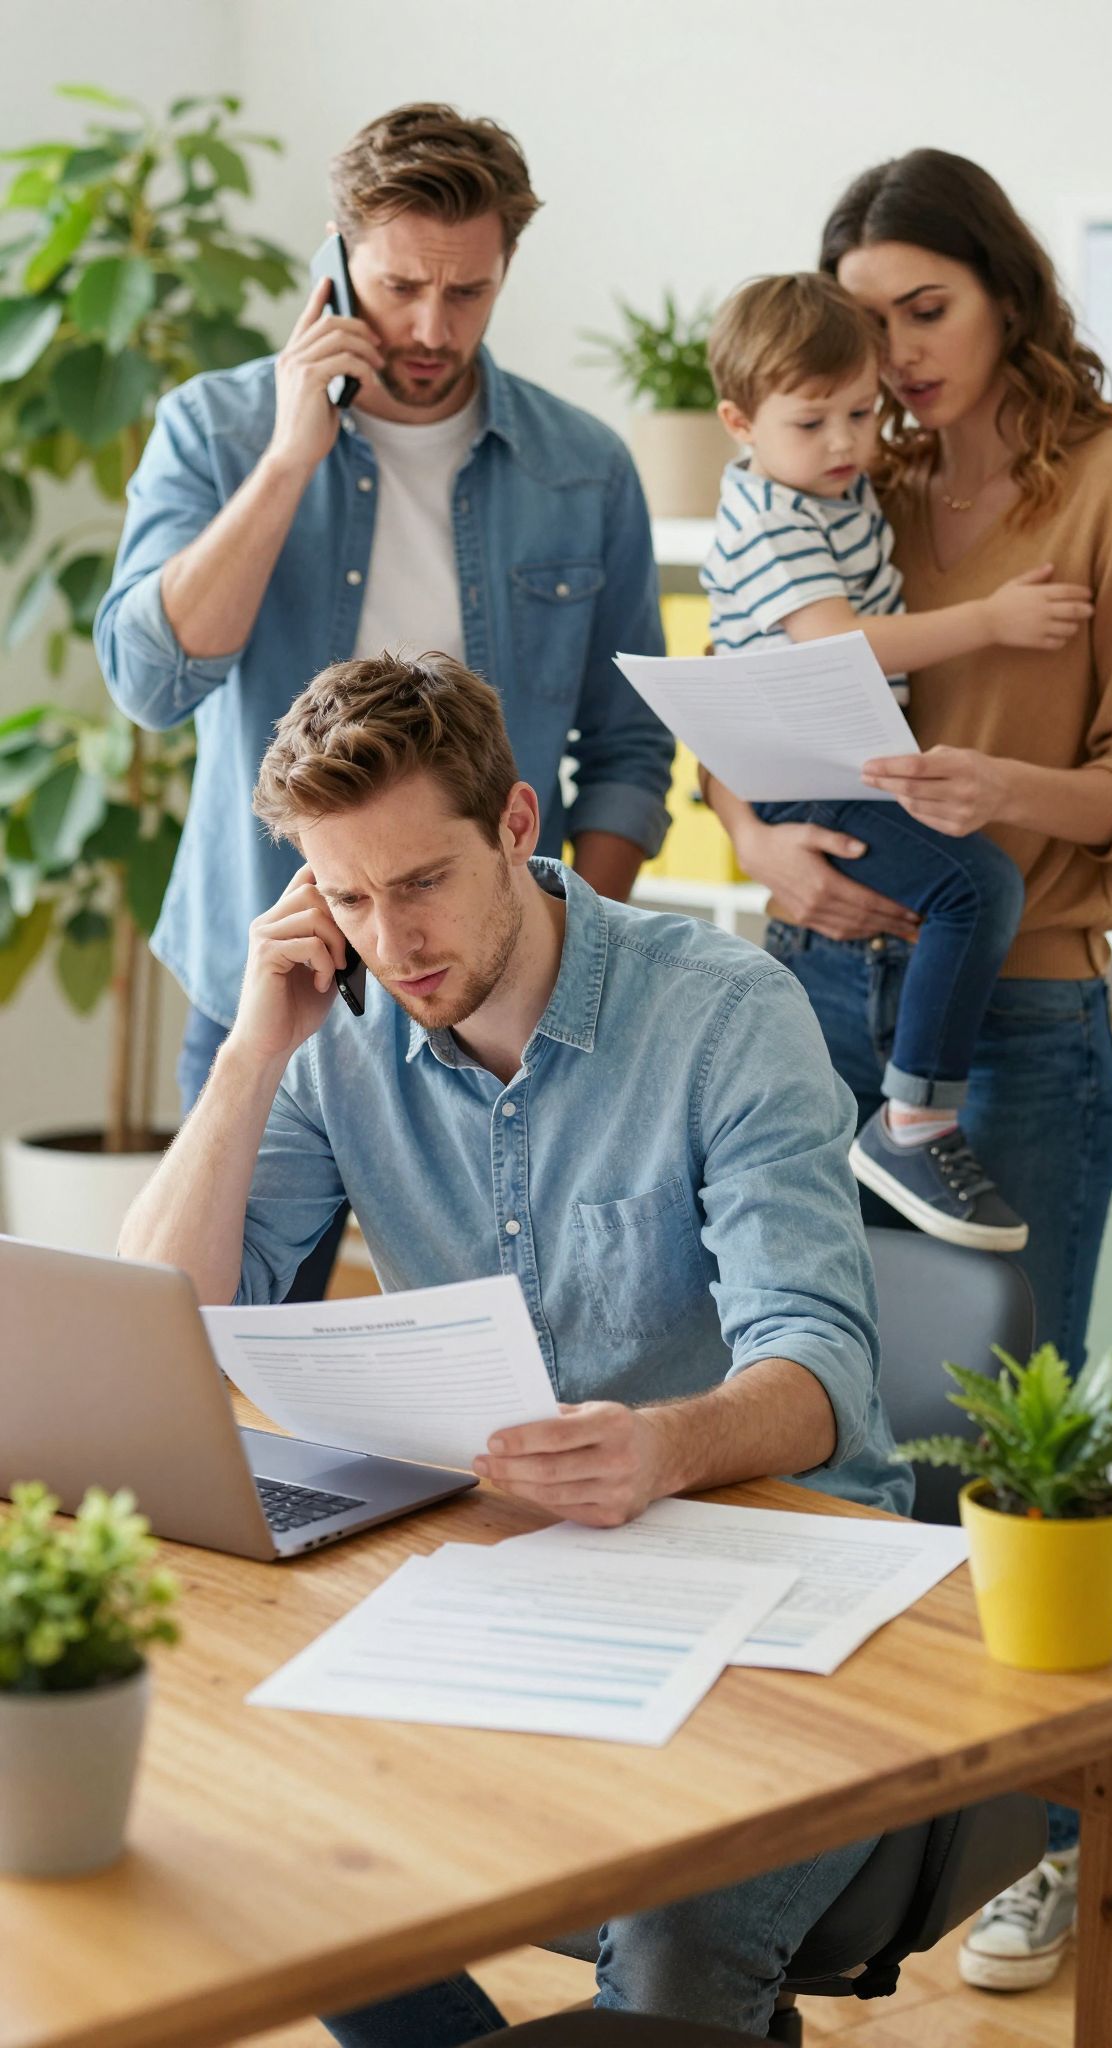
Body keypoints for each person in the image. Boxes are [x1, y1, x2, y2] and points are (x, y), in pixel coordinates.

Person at [119, 649, 912, 2042]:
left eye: (421, 881)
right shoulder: (338, 1041)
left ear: (517, 824)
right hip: (523, 1579)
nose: (392, 939)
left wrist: (660, 1445)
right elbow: (152, 1323)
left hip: (777, 1572)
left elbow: (820, 1365)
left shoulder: (726, 1015)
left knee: (672, 1922)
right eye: (347, 898)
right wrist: (250, 1053)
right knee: (276, 1826)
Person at [703, 147, 1112, 1997]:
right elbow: (738, 704)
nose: (891, 355)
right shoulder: (837, 467)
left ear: (1006, 293)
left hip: (1022, 1009)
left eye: (926, 308)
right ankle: (835, 1842)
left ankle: (1051, 1841)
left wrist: (1004, 794)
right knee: (825, 1418)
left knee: (1004, 1453)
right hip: (812, 986)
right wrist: (761, 844)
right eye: (866, 320)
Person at [95, 101, 673, 1298]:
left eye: (469, 292)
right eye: (402, 285)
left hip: (505, 993)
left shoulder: (582, 468)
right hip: (272, 979)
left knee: (519, 1345)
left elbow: (627, 746)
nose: (430, 327)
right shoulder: (217, 429)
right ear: (337, 256)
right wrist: (289, 458)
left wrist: (577, 947)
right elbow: (151, 682)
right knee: (215, 1337)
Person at [702, 271, 1094, 1251]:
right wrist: (992, 620)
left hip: (827, 760)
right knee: (976, 887)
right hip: (807, 767)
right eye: (812, 423)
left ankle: (911, 1109)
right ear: (739, 424)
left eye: (860, 412)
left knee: (969, 890)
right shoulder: (773, 516)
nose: (845, 442)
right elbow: (840, 643)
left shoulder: (831, 490)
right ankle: (913, 1119)